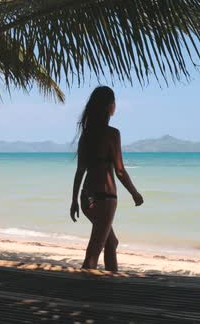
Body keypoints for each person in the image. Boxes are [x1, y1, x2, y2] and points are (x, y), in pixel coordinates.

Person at [70, 86, 144, 272]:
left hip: (87, 198)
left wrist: (74, 201)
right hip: (104, 198)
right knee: (94, 251)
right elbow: (119, 170)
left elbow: (80, 171)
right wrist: (135, 193)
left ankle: (111, 283)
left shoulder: (86, 135)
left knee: (111, 242)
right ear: (109, 106)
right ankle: (83, 289)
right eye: (114, 102)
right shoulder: (112, 134)